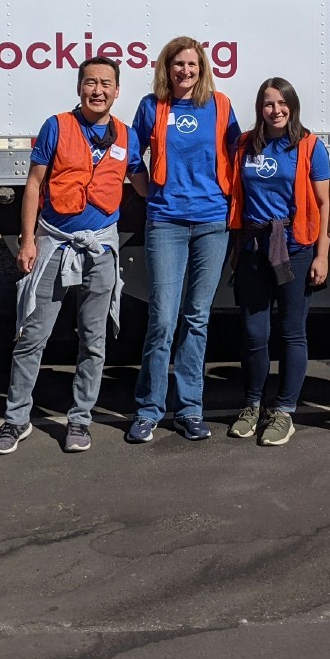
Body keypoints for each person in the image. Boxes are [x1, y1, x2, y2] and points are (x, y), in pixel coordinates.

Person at [0, 57, 141, 456]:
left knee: (93, 340)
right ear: (79, 88)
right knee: (31, 336)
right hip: (55, 244)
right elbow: (34, 185)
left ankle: (80, 420)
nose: (98, 90)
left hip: (101, 249)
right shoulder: (56, 126)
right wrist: (27, 242)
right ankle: (16, 420)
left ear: (117, 90)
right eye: (90, 82)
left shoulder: (127, 135)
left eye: (106, 83)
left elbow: (144, 183)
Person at [125, 37, 241, 443]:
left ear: (202, 67)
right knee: (163, 319)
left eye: (192, 64)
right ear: (166, 69)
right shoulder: (151, 105)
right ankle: (149, 409)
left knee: (197, 319)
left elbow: (239, 154)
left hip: (212, 222)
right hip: (166, 223)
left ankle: (189, 409)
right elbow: (129, 150)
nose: (185, 71)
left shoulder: (221, 105)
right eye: (178, 65)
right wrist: (143, 187)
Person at [226, 78, 330, 446]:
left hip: (296, 247)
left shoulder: (309, 146)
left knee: (292, 332)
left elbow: (323, 205)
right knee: (254, 333)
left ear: (293, 105)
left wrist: (322, 254)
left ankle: (284, 410)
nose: (276, 110)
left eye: (282, 102)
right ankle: (253, 405)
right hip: (254, 247)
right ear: (260, 109)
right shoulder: (244, 145)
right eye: (268, 104)